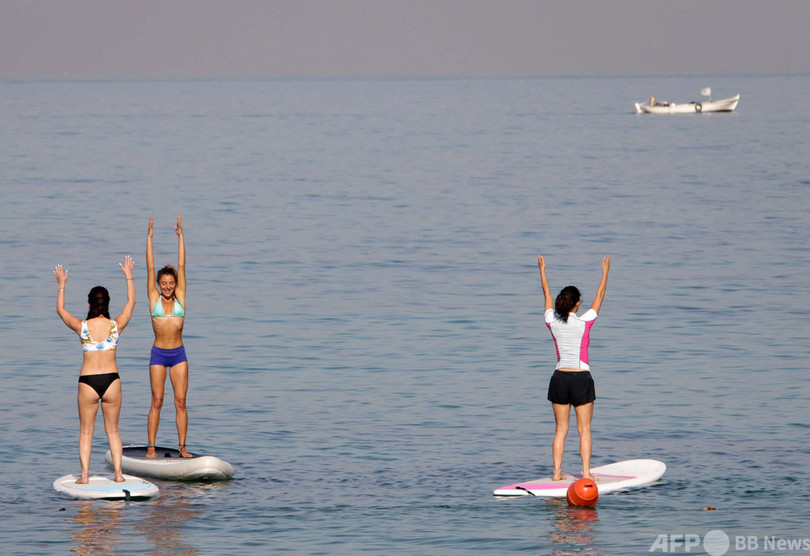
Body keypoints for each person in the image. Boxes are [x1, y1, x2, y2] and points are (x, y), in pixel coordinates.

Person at [55, 256, 136, 484]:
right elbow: (131, 302)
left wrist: (62, 285)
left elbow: (61, 310)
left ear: (90, 304)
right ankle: (118, 475)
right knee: (113, 431)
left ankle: (84, 477)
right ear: (107, 304)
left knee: (86, 432)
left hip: (88, 382)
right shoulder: (116, 326)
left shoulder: (82, 327)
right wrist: (129, 276)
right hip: (112, 381)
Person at [537, 255, 610, 481]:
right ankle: (586, 473)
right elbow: (600, 296)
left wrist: (542, 271)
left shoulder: (551, 321)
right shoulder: (584, 322)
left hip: (559, 378)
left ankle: (556, 473)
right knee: (584, 430)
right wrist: (605, 271)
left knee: (560, 430)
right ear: (577, 303)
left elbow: (547, 296)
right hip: (580, 379)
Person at [146, 215, 191, 458]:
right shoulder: (153, 298)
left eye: (171, 283)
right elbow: (150, 267)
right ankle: (151, 447)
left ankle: (182, 447)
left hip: (178, 355)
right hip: (159, 355)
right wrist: (149, 238)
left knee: (181, 401)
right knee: (157, 401)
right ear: (158, 284)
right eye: (164, 283)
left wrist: (181, 236)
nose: (167, 287)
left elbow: (181, 266)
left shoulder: (180, 297)